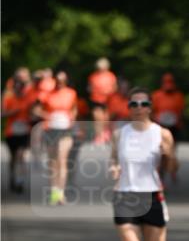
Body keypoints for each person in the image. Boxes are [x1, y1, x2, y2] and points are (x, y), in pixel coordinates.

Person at [108, 87, 177, 241]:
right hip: (125, 196)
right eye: (133, 105)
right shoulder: (120, 134)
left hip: (153, 196)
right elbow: (113, 159)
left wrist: (168, 155)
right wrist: (114, 168)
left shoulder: (163, 133)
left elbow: (173, 169)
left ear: (151, 107)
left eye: (143, 104)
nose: (138, 109)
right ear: (128, 108)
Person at [35, 70, 78, 205]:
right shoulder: (47, 94)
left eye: (62, 81)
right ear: (55, 81)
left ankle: (61, 193)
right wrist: (48, 116)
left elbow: (74, 109)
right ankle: (54, 191)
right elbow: (36, 110)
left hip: (66, 129)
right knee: (53, 162)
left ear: (66, 81)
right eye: (58, 81)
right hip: (51, 129)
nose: (60, 84)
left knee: (62, 159)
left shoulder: (71, 93)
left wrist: (72, 118)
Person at [2, 68, 35, 192]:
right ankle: (12, 177)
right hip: (11, 132)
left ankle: (20, 181)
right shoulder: (8, 97)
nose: (20, 88)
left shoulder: (28, 97)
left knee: (21, 155)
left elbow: (33, 111)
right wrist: (12, 112)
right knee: (13, 157)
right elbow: (2, 113)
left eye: (22, 86)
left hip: (24, 131)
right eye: (17, 86)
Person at [87, 58, 117, 144]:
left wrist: (108, 92)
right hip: (96, 99)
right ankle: (98, 135)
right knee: (97, 118)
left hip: (108, 99)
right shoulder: (93, 76)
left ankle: (106, 133)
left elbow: (114, 87)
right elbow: (89, 87)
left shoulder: (111, 76)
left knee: (106, 118)